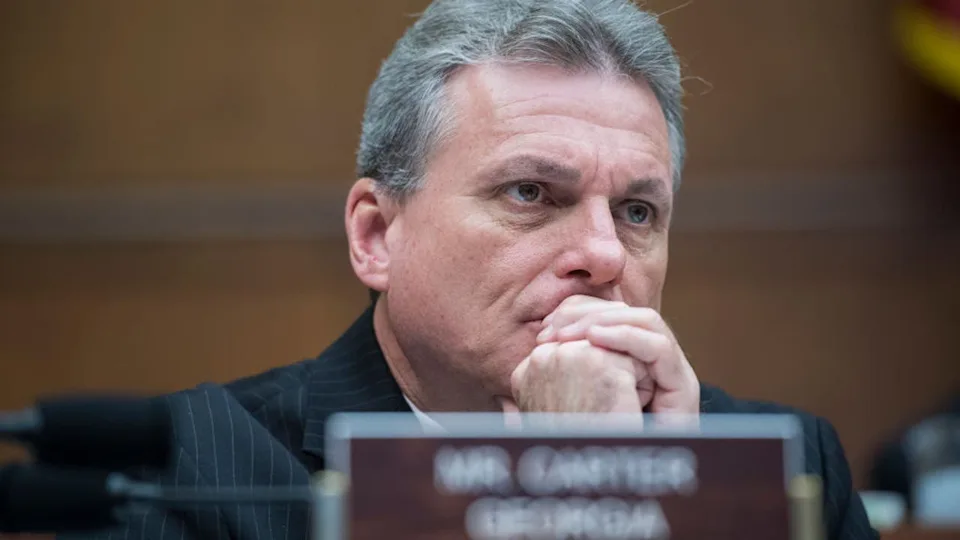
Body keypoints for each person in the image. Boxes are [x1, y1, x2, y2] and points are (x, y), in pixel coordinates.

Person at [63, 1, 878, 538]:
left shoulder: (786, 469)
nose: (601, 255)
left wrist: (667, 492)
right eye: (532, 193)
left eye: (637, 212)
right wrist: (574, 496)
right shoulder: (190, 474)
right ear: (377, 235)